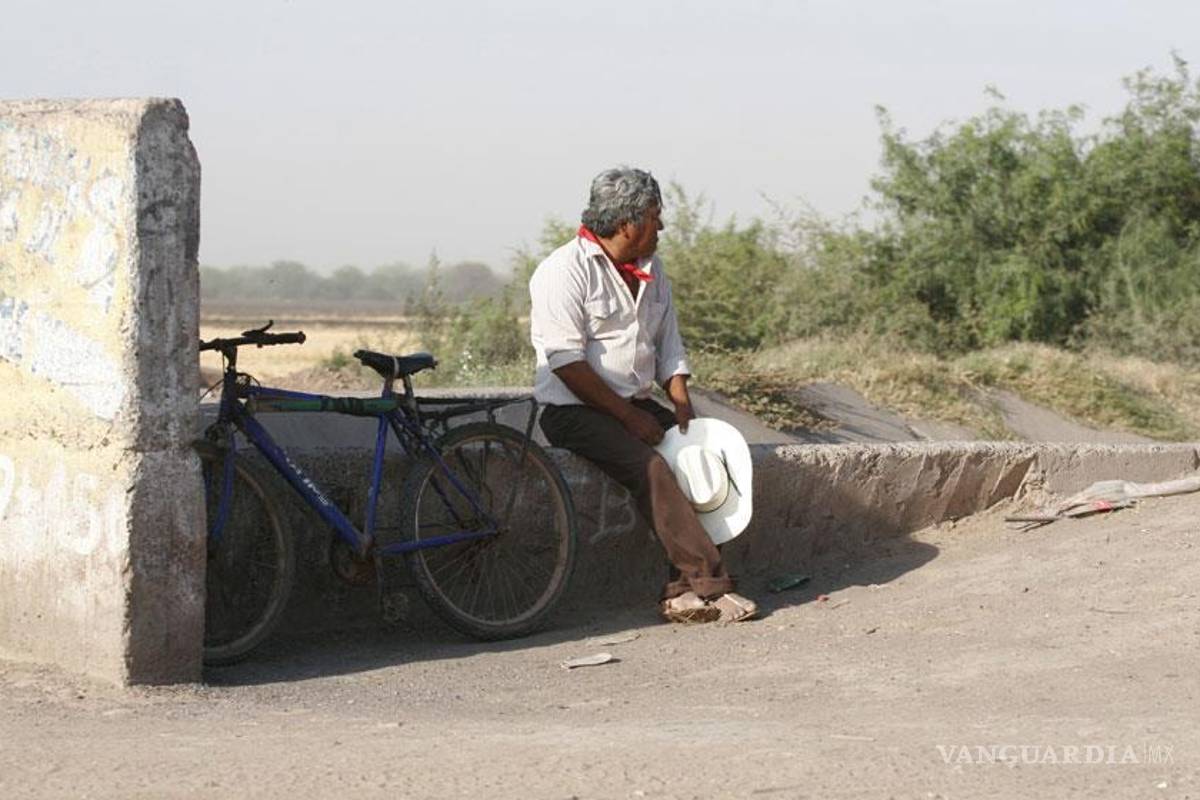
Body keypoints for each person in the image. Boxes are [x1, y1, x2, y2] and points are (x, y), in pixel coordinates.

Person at [528, 166, 758, 624]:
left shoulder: (652, 270)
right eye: (655, 216)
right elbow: (567, 364)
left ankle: (679, 592)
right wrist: (630, 419)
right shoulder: (562, 271)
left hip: (632, 403)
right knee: (651, 467)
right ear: (627, 222)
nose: (662, 226)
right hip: (574, 410)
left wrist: (680, 398)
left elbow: (669, 342)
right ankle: (710, 584)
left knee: (701, 459)